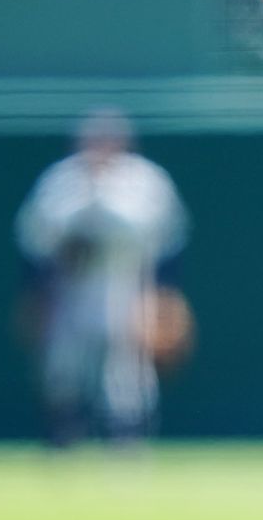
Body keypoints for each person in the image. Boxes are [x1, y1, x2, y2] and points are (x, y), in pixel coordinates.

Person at [14, 108, 191, 447]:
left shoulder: (144, 181)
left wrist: (164, 296)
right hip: (70, 285)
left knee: (127, 371)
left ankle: (127, 445)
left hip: (127, 281)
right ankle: (64, 440)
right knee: (62, 366)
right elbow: (35, 239)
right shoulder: (62, 181)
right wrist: (37, 294)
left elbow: (169, 240)